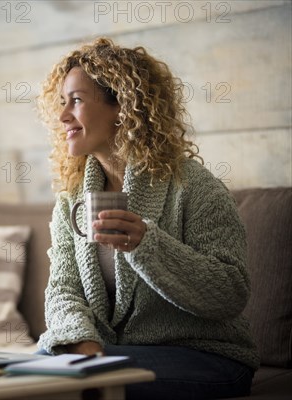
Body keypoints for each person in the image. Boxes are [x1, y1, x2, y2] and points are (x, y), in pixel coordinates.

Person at [36, 37, 258, 399]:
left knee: (63, 383)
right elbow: (63, 291)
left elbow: (230, 291)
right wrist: (83, 346)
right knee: (37, 369)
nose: (63, 116)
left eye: (75, 100)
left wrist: (146, 244)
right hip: (112, 353)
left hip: (206, 356)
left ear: (122, 105)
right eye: (62, 102)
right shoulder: (72, 199)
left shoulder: (193, 186)